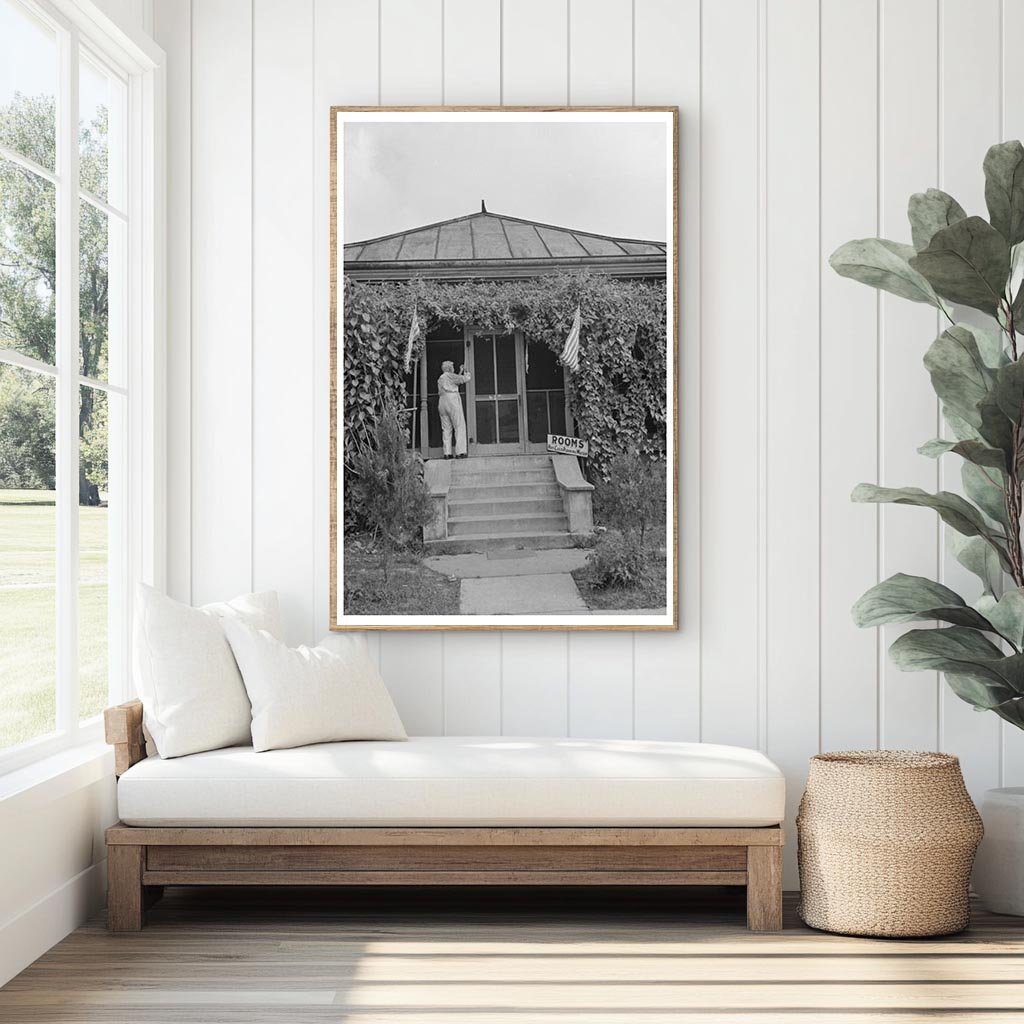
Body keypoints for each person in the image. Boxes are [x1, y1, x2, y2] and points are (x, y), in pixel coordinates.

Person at [437, 359, 471, 459]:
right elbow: (464, 379)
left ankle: (447, 453)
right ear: (449, 368)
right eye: (452, 367)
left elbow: (454, 381)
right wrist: (466, 371)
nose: (453, 369)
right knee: (459, 425)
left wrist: (459, 372)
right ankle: (460, 452)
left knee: (446, 428)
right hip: (452, 399)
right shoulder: (449, 375)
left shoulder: (441, 377)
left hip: (442, 401)